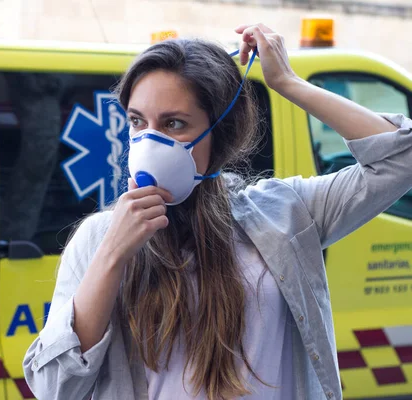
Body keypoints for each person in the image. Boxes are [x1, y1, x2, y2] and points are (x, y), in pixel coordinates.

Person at [22, 23, 412, 400]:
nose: (149, 141)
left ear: (219, 132)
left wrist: (287, 83)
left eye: (174, 123)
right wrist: (112, 255)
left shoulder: (284, 214)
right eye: (138, 121)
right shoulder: (100, 239)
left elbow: (401, 160)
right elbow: (55, 389)